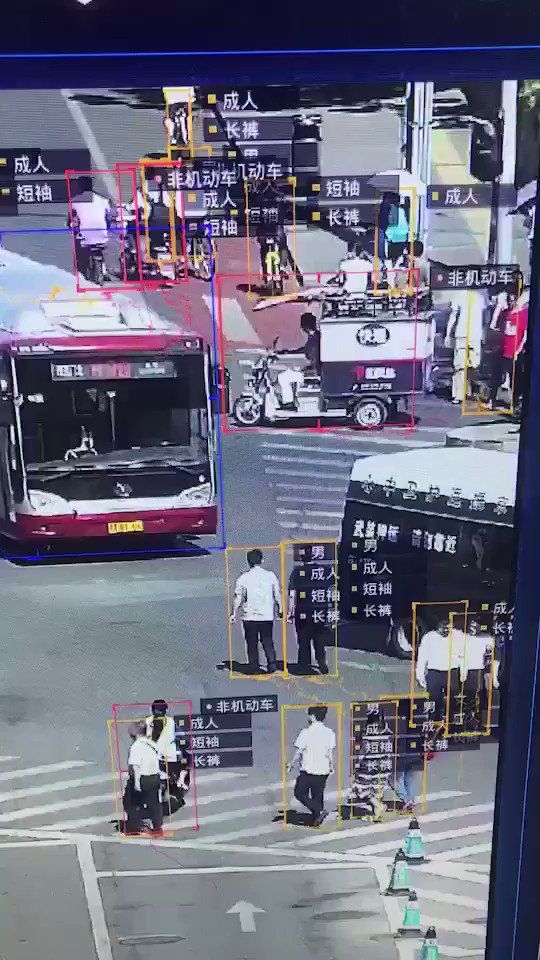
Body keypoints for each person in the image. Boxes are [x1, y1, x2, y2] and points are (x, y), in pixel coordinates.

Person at [231, 548, 282, 673]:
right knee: (267, 640)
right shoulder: (270, 576)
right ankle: (272, 664)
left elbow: (238, 597)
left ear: (249, 562)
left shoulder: (243, 578)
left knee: (251, 642)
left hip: (250, 616)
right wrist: (280, 608)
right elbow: (277, 594)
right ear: (262, 560)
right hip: (266, 615)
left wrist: (234, 613)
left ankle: (254, 666)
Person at [287, 705, 336, 827]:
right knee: (317, 795)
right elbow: (330, 752)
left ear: (313, 716)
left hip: (308, 770)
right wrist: (331, 765)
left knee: (299, 793)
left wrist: (291, 764)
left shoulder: (306, 732)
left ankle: (318, 811)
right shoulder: (330, 733)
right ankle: (316, 819)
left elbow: (299, 751)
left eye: (309, 715)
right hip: (323, 770)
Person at [416, 618, 464, 722]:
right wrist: (419, 674)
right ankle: (434, 724)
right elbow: (422, 657)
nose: (446, 630)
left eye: (449, 627)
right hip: (434, 672)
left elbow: (462, 655)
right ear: (438, 626)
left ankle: (450, 724)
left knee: (452, 700)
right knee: (434, 699)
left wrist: (463, 671)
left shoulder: (457, 635)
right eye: (444, 627)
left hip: (452, 671)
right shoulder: (429, 637)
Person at [445, 289, 486, 404]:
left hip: (462, 334)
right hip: (475, 335)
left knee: (460, 366)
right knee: (474, 364)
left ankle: (460, 394)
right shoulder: (480, 297)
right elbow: (485, 317)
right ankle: (472, 391)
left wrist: (448, 334)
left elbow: (453, 316)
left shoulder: (458, 295)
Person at [287, 561, 329, 674]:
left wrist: (290, 612)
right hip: (320, 609)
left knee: (303, 639)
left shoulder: (297, 572)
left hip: (303, 610)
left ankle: (304, 665)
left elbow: (292, 593)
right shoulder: (323, 571)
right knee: (319, 638)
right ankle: (322, 663)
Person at [69, 176, 114, 282]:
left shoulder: (74, 201)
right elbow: (110, 216)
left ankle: (82, 272)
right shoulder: (103, 200)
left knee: (79, 249)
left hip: (84, 237)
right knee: (101, 248)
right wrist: (107, 228)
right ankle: (104, 270)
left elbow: (71, 220)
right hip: (102, 235)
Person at [125, 721, 164, 836]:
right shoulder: (152, 744)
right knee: (154, 804)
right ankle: (157, 828)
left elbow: (135, 766)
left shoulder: (136, 746)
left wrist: (137, 782)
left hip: (143, 778)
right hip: (155, 777)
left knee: (131, 802)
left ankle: (135, 826)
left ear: (136, 734)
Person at [276, 313, 321, 410]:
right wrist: (289, 352)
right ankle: (292, 399)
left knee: (283, 377)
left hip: (314, 373)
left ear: (305, 327)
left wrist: (289, 353)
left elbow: (309, 353)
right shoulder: (316, 336)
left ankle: (289, 403)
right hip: (314, 370)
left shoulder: (314, 338)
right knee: (290, 371)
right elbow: (305, 350)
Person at [457, 619, 494, 730]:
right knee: (468, 696)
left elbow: (490, 651)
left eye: (474, 626)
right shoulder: (464, 639)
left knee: (477, 695)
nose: (472, 628)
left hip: (478, 671)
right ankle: (468, 720)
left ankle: (478, 721)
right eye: (470, 626)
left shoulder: (485, 638)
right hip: (466, 671)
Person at [395, 708, 424, 812]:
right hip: (416, 758)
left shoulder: (398, 728)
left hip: (403, 758)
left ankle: (406, 800)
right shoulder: (419, 727)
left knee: (396, 780)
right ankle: (410, 800)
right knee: (408, 781)